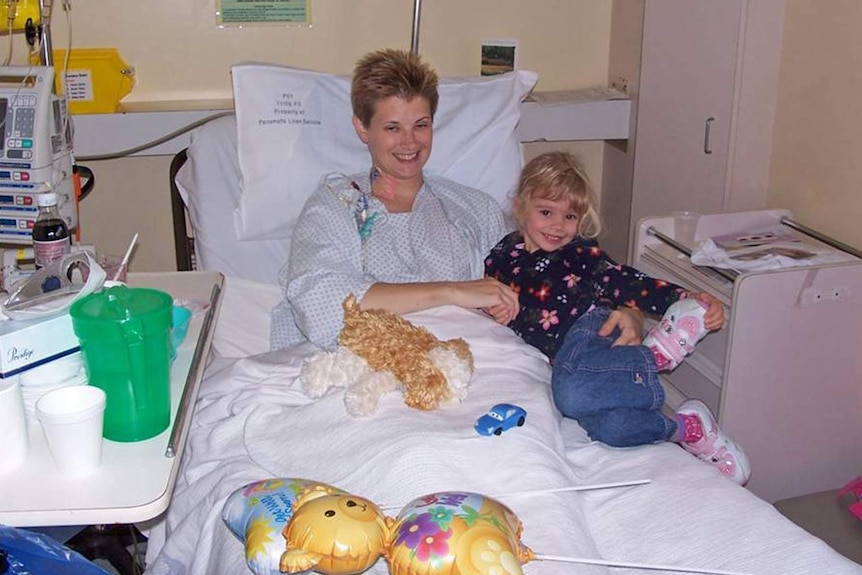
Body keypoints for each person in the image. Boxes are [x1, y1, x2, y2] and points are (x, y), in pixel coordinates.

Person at [270, 49, 644, 351]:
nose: (410, 143)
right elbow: (321, 303)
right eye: (392, 128)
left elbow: (551, 276)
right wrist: (453, 291)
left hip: (474, 366)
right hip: (362, 368)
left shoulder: (472, 209)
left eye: (421, 125)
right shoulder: (336, 204)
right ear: (361, 128)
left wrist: (626, 311)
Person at [484, 151, 751, 485]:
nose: (558, 225)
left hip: (591, 328)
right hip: (564, 359)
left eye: (570, 216)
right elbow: (490, 295)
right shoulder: (500, 256)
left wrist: (683, 297)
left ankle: (653, 357)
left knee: (569, 395)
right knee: (611, 428)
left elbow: (627, 281)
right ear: (521, 205)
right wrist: (496, 309)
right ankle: (688, 429)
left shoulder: (579, 253)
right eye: (546, 212)